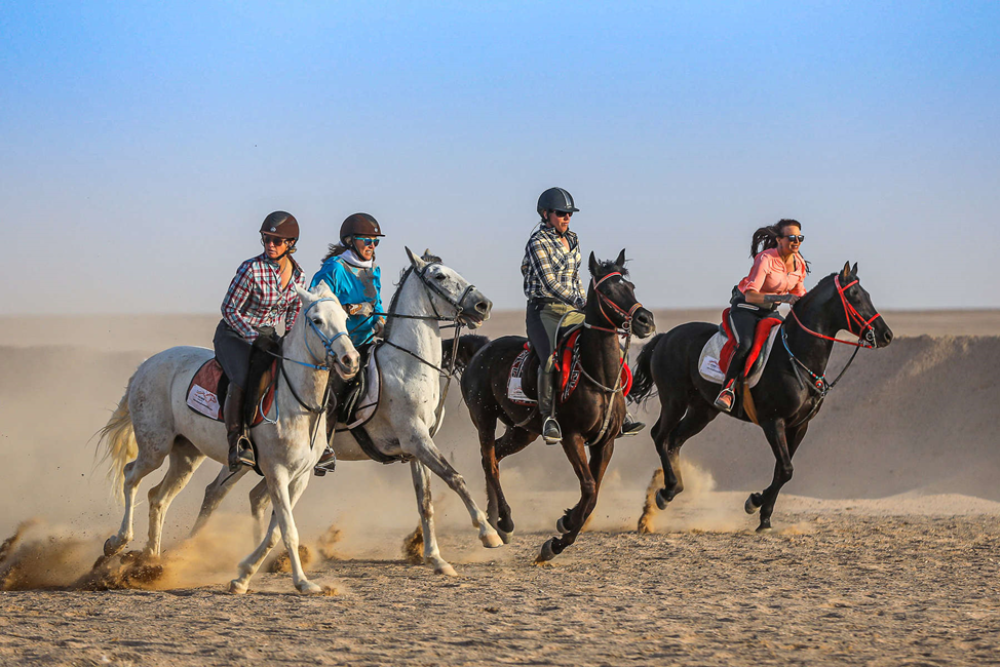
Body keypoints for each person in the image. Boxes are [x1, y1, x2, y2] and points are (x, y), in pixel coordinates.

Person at [521, 187, 643, 444]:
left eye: (569, 213)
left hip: (573, 311)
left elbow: (575, 277)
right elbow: (550, 282)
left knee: (611, 347)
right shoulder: (537, 243)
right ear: (545, 214)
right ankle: (548, 417)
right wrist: (580, 301)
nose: (567, 217)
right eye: (561, 213)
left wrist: (586, 304)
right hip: (544, 311)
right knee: (550, 360)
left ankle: (620, 411)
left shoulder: (573, 239)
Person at [215, 211, 306, 471]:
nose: (270, 244)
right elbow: (229, 309)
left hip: (268, 335)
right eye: (266, 239)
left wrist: (290, 338)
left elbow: (293, 309)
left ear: (291, 243)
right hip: (234, 334)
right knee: (244, 376)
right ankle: (237, 441)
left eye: (276, 240)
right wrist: (254, 337)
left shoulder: (299, 276)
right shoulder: (251, 269)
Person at [310, 213, 385, 473]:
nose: (372, 246)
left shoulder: (372, 269)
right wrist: (351, 309)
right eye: (367, 240)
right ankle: (322, 448)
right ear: (350, 241)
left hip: (367, 342)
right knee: (334, 390)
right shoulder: (334, 269)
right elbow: (317, 304)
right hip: (340, 347)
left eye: (376, 242)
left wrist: (381, 320)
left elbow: (378, 304)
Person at [714, 219, 809, 413]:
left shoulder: (798, 263)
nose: (796, 241)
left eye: (800, 238)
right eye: (792, 237)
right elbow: (751, 295)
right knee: (745, 344)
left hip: (769, 312)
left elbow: (800, 294)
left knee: (788, 341)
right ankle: (727, 389)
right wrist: (783, 298)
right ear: (780, 240)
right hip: (745, 308)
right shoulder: (765, 259)